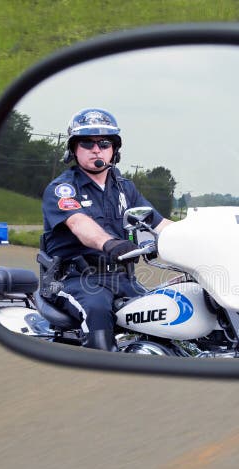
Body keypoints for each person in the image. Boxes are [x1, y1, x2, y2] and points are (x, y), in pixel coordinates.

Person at [41, 108, 172, 351]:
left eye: (104, 142)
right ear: (73, 149)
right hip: (76, 281)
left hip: (122, 279)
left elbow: (160, 224)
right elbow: (80, 224)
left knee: (163, 312)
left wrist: (199, 239)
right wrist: (110, 243)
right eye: (86, 142)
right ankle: (103, 369)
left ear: (114, 149)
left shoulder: (125, 189)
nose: (96, 149)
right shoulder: (62, 189)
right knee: (97, 311)